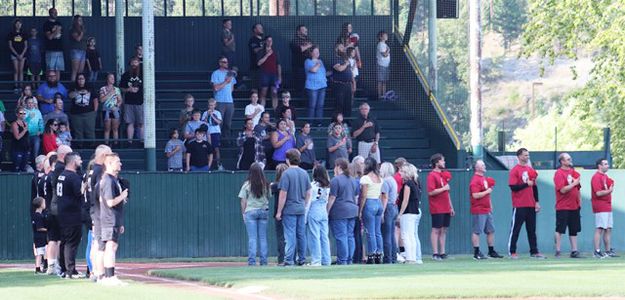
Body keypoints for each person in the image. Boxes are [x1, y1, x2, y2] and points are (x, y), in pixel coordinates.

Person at [275, 149, 311, 266]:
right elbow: (309, 192)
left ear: (287, 160)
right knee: (301, 235)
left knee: (290, 235)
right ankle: (302, 259)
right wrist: (304, 204)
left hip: (289, 209)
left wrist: (279, 212)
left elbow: (283, 194)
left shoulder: (286, 174)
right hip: (300, 208)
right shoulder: (304, 173)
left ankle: (289, 260)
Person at [508, 148, 546, 259]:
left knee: (532, 229)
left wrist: (537, 202)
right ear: (519, 156)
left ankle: (534, 251)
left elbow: (534, 187)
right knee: (516, 228)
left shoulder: (530, 170)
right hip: (519, 204)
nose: (527, 157)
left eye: (528, 155)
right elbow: (513, 187)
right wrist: (526, 184)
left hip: (530, 204)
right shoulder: (515, 170)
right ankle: (512, 251)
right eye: (525, 155)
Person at [98, 153, 128, 286]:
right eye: (117, 162)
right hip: (110, 218)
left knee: (111, 247)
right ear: (109, 164)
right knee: (110, 247)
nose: (120, 164)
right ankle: (109, 276)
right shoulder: (108, 180)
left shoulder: (111, 179)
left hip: (113, 219)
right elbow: (110, 202)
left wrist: (120, 222)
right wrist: (122, 196)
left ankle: (107, 276)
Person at [56, 152, 84, 279]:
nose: (81, 162)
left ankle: (63, 268)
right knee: (71, 243)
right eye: (79, 160)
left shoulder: (62, 175)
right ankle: (70, 270)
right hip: (72, 214)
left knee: (64, 242)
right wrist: (86, 186)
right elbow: (79, 193)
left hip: (62, 213)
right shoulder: (73, 177)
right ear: (73, 162)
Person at [87, 144, 112, 282]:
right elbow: (100, 194)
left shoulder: (92, 170)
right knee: (100, 244)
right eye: (109, 155)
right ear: (103, 156)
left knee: (96, 243)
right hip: (99, 211)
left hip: (93, 209)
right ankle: (100, 273)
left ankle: (95, 272)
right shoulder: (99, 172)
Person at [470, 160, 503, 260]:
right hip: (479, 209)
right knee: (477, 231)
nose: (484, 166)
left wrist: (490, 204)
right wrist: (487, 191)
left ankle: (491, 251)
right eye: (482, 165)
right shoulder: (475, 180)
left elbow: (487, 194)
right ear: (477, 167)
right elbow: (475, 195)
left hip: (487, 209)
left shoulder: (483, 178)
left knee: (491, 230)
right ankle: (476, 252)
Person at [327, 158, 358, 265]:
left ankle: (342, 260)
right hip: (352, 210)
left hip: (339, 211)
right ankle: (349, 259)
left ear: (338, 166)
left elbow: (332, 198)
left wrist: (327, 211)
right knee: (350, 235)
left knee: (341, 236)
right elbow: (356, 195)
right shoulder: (353, 179)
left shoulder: (335, 180)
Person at [239, 163, 271, 266]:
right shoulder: (266, 183)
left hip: (251, 211)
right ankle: (264, 261)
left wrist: (243, 213)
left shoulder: (247, 184)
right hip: (263, 211)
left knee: (252, 238)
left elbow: (243, 201)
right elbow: (269, 196)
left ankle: (252, 262)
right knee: (263, 238)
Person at [553, 153, 582, 258]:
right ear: (562, 161)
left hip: (574, 206)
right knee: (560, 229)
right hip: (563, 206)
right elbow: (562, 190)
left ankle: (574, 251)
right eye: (567, 159)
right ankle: (558, 250)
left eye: (570, 158)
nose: (570, 160)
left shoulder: (574, 173)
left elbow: (578, 189)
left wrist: (579, 202)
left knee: (573, 229)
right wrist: (574, 183)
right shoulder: (559, 174)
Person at [427, 153, 455, 261]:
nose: (444, 163)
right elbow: (431, 192)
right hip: (437, 207)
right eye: (442, 161)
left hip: (445, 207)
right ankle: (435, 253)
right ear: (437, 162)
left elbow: (447, 193)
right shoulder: (432, 175)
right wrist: (443, 188)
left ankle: (442, 252)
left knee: (444, 230)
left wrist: (451, 207)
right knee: (436, 230)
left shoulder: (443, 175)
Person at [359, 157, 385, 264]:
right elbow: (379, 194)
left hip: (369, 203)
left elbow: (364, 195)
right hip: (378, 203)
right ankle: (379, 254)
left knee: (370, 232)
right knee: (377, 231)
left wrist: (360, 210)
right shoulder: (379, 178)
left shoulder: (365, 178)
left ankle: (371, 255)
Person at [591, 158, 617, 258]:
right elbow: (598, 193)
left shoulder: (605, 176)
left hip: (607, 206)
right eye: (605, 164)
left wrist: (610, 186)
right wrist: (609, 191)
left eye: (607, 164)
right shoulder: (596, 177)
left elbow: (611, 183)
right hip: (600, 206)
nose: (607, 166)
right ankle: (597, 251)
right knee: (600, 228)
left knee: (608, 229)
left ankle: (607, 250)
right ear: (599, 166)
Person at [398, 163, 423, 264]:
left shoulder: (407, 184)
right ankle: (413, 257)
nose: (401, 173)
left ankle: (410, 257)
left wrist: (400, 213)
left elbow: (405, 200)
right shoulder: (414, 183)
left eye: (403, 172)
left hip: (408, 212)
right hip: (414, 211)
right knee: (411, 235)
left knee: (406, 235)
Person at [306, 165, 331, 266]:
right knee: (324, 236)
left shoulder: (312, 185)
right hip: (323, 210)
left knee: (314, 236)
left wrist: (305, 216)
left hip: (314, 209)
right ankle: (326, 259)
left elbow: (309, 202)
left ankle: (316, 260)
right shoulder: (327, 186)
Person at [212, 56, 237, 143]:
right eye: (224, 62)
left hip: (229, 101)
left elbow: (232, 88)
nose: (226, 63)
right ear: (220, 63)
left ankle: (226, 140)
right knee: (220, 122)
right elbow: (216, 88)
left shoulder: (230, 74)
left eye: (227, 62)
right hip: (219, 101)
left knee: (228, 123)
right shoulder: (216, 73)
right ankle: (218, 140)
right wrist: (226, 82)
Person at [68, 73, 97, 147]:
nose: (81, 80)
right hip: (76, 114)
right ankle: (79, 146)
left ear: (85, 79)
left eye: (82, 79)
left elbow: (95, 100)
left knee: (90, 130)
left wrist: (94, 111)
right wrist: (78, 92)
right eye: (79, 79)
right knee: (78, 131)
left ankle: (91, 146)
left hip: (89, 113)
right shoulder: (73, 87)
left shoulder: (90, 87)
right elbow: (70, 96)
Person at [120, 57, 143, 143]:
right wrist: (128, 90)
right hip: (129, 102)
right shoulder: (125, 75)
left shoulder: (143, 74)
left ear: (139, 63)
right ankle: (130, 142)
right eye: (132, 62)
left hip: (141, 102)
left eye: (136, 62)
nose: (134, 64)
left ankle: (142, 142)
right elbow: (121, 88)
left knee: (141, 123)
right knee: (130, 123)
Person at [380, 162, 399, 264]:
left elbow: (384, 197)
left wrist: (382, 212)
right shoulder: (393, 180)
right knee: (391, 234)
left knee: (386, 234)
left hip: (388, 207)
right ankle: (393, 257)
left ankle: (387, 258)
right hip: (394, 207)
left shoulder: (385, 181)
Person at [305, 45, 327, 126]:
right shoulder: (308, 61)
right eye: (315, 51)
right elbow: (313, 70)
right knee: (312, 105)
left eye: (318, 51)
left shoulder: (320, 61)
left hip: (322, 86)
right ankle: (309, 123)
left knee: (320, 105)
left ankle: (319, 123)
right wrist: (317, 64)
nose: (318, 53)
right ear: (311, 53)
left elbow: (323, 73)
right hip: (312, 87)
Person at [257, 36, 282, 109]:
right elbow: (259, 63)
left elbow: (278, 64)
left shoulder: (275, 51)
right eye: (268, 40)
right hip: (264, 74)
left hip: (274, 75)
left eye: (271, 41)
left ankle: (275, 110)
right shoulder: (261, 51)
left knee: (274, 93)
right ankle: (261, 110)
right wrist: (267, 55)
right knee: (263, 93)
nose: (270, 42)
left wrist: (280, 76)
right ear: (265, 42)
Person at [272, 163, 289, 265]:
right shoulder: (286, 184)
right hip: (289, 212)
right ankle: (290, 258)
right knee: (290, 237)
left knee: (281, 237)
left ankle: (282, 259)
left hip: (279, 213)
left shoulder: (275, 185)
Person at [99, 73, 122, 145]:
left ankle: (116, 144)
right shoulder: (102, 89)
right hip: (106, 110)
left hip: (115, 110)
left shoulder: (117, 89)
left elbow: (120, 100)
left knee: (115, 129)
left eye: (113, 78)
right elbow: (101, 100)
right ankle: (106, 144)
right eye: (111, 77)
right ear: (107, 79)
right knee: (107, 129)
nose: (113, 79)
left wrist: (116, 106)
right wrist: (110, 93)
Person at [350, 156, 365, 263]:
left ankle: (357, 257)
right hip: (360, 208)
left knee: (356, 234)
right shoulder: (361, 180)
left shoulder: (356, 181)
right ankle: (360, 256)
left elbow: (356, 197)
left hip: (357, 208)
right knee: (359, 234)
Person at [202, 98, 224, 170]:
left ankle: (219, 164)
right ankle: (208, 165)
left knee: (216, 148)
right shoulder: (205, 113)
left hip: (216, 132)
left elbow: (219, 122)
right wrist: (207, 115)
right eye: (209, 105)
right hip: (208, 132)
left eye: (212, 105)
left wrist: (212, 115)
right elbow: (203, 122)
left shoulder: (217, 113)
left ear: (215, 105)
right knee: (208, 148)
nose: (211, 107)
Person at [331, 49, 353, 119]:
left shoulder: (346, 59)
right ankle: (338, 121)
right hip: (339, 85)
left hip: (348, 85)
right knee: (339, 103)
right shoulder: (335, 59)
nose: (343, 49)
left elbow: (350, 72)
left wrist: (353, 83)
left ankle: (347, 121)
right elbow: (340, 69)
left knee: (348, 104)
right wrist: (346, 64)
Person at [290, 25, 313, 91]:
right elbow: (299, 49)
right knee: (300, 87)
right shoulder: (294, 41)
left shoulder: (309, 40)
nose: (306, 31)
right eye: (303, 30)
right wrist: (308, 46)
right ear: (298, 32)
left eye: (306, 29)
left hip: (309, 67)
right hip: (299, 67)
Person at [43, 8, 64, 78]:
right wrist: (56, 31)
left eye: (56, 12)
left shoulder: (59, 23)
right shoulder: (47, 24)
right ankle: (49, 85)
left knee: (58, 69)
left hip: (59, 49)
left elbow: (60, 35)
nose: (55, 14)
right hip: (50, 50)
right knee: (50, 69)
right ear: (50, 14)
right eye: (53, 12)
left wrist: (58, 31)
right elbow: (49, 37)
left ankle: (57, 85)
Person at [8, 18, 27, 93]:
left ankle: (21, 86)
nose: (18, 25)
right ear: (14, 25)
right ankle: (15, 86)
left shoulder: (24, 34)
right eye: (17, 23)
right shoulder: (11, 34)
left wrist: (22, 54)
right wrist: (16, 54)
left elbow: (26, 45)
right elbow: (10, 45)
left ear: (21, 25)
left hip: (22, 54)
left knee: (21, 70)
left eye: (19, 23)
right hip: (14, 54)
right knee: (16, 70)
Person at [25, 97, 44, 163]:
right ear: (26, 104)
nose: (30, 104)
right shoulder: (23, 111)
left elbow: (41, 122)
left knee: (36, 152)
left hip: (35, 135)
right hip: (25, 135)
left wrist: (41, 130)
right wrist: (29, 118)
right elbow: (21, 122)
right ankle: (26, 166)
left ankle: (35, 166)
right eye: (29, 103)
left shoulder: (37, 111)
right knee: (27, 152)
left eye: (32, 103)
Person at [31, 197, 47, 274]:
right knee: (40, 253)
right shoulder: (38, 216)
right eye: (44, 203)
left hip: (41, 237)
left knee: (44, 252)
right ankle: (37, 269)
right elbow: (39, 228)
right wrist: (48, 229)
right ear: (40, 205)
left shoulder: (39, 215)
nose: (45, 204)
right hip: (39, 237)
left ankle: (45, 266)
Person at [11, 107, 30, 172]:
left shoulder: (25, 123)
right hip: (17, 149)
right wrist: (24, 130)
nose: (23, 114)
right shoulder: (14, 124)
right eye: (21, 113)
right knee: (16, 168)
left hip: (25, 148)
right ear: (17, 114)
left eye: (24, 113)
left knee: (23, 168)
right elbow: (17, 137)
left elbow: (27, 136)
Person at [68, 15, 86, 82]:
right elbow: (78, 39)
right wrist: (81, 32)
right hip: (76, 50)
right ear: (76, 21)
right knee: (75, 70)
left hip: (83, 50)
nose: (81, 21)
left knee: (80, 71)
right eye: (79, 20)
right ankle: (72, 87)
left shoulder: (83, 29)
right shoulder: (73, 29)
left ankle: (79, 86)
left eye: (81, 20)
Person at [248, 23, 264, 87]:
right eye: (259, 28)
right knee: (255, 86)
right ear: (255, 30)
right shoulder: (252, 40)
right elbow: (255, 50)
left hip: (264, 68)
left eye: (261, 28)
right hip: (255, 67)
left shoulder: (263, 40)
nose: (261, 29)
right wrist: (263, 47)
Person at [376, 31, 390, 99]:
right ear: (381, 37)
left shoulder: (385, 44)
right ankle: (379, 95)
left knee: (384, 81)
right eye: (385, 35)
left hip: (386, 65)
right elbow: (384, 55)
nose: (386, 36)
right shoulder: (380, 44)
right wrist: (388, 50)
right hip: (381, 65)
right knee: (380, 81)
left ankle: (384, 95)